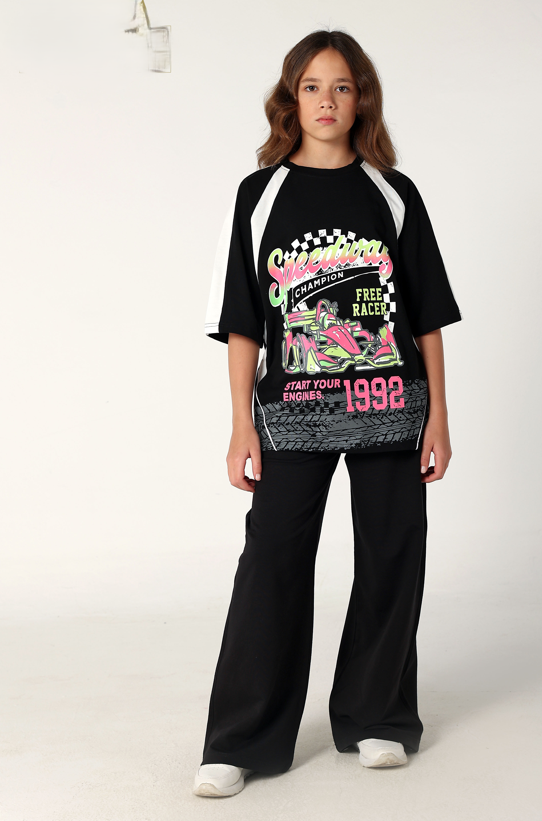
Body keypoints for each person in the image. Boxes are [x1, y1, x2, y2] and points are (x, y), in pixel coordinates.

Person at [194, 28, 462, 798]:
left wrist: (439, 417)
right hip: (292, 412)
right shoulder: (259, 195)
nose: (326, 100)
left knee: (392, 556)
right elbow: (243, 321)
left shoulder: (394, 192)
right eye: (312, 86)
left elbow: (425, 318)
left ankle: (378, 717)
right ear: (291, 98)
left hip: (391, 406)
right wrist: (241, 423)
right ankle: (241, 738)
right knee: (272, 563)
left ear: (361, 99)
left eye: (342, 86)